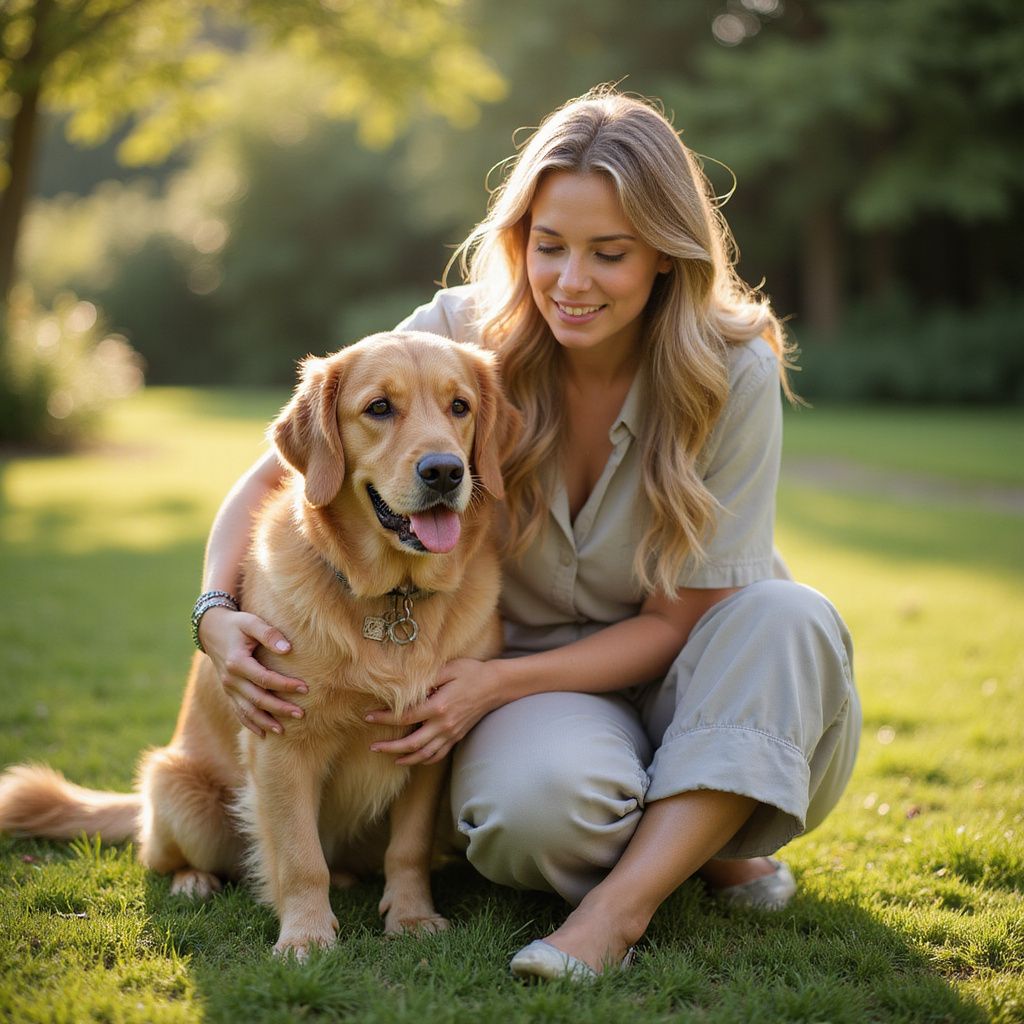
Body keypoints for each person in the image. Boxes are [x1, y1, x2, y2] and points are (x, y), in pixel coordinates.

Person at [194, 86, 860, 981]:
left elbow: (675, 623)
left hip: (694, 677)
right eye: (548, 246)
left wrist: (488, 682)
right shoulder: (461, 337)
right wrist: (211, 610)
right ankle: (700, 837)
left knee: (792, 613)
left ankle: (616, 916)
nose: (570, 282)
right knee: (529, 816)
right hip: (541, 701)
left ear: (666, 255)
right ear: (519, 240)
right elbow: (282, 471)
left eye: (609, 253)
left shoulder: (729, 366)